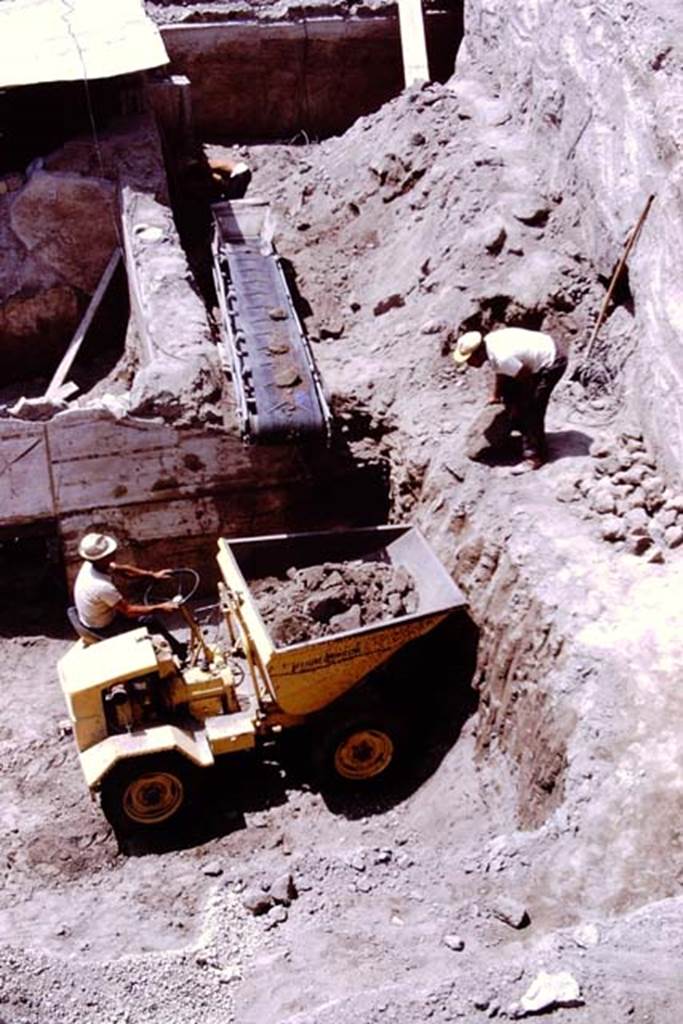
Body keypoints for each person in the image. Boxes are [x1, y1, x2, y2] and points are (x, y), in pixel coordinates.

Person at [452, 326, 568, 470]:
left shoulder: (502, 357)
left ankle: (535, 456)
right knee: (511, 398)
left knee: (532, 409)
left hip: (552, 360)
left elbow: (527, 377)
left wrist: (522, 402)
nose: (468, 364)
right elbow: (502, 371)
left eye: (469, 360)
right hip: (538, 354)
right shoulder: (490, 345)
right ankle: (522, 433)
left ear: (478, 353)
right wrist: (495, 395)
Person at [73, 533, 187, 661]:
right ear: (101, 558)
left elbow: (123, 570)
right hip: (104, 626)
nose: (114, 553)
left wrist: (152, 575)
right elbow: (129, 611)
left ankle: (177, 649)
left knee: (146, 615)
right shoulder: (100, 586)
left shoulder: (92, 565)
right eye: (110, 553)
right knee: (150, 622)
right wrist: (161, 607)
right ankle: (177, 654)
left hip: (97, 615)